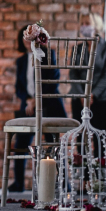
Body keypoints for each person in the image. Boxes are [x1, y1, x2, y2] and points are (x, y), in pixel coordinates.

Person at [8, 25, 65, 192]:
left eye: (31, 38)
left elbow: (53, 81)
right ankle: (18, 183)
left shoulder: (49, 55)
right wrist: (29, 101)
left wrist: (37, 101)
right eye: (25, 38)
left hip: (49, 105)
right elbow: (19, 87)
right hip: (28, 108)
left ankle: (59, 183)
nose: (28, 42)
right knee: (21, 144)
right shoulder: (21, 61)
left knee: (52, 145)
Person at [69, 13, 106, 132]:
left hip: (101, 98)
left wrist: (92, 94)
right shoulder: (77, 49)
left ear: (97, 26)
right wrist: (82, 95)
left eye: (87, 23)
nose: (84, 26)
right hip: (79, 99)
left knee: (100, 137)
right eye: (82, 24)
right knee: (79, 137)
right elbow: (73, 74)